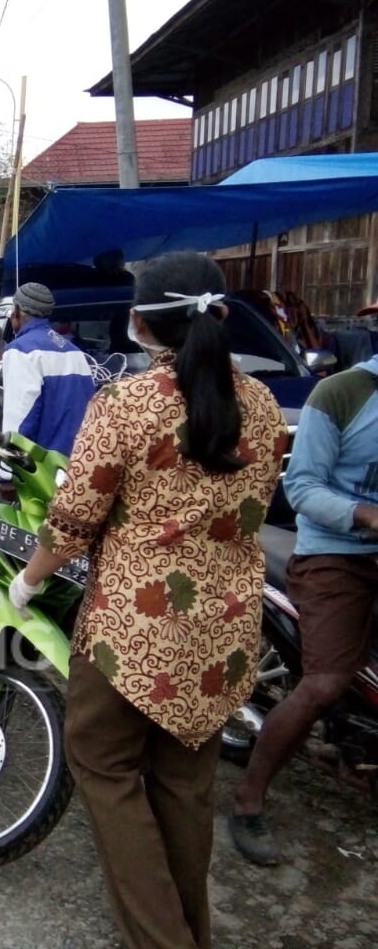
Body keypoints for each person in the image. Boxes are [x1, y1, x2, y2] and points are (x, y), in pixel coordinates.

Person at [10, 253, 286, 949]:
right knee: (183, 789)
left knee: (102, 763)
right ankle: (191, 930)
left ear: (138, 322)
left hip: (132, 634)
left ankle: (164, 940)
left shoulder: (127, 404)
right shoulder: (260, 405)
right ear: (219, 316)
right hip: (224, 635)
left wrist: (28, 580)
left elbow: (75, 517)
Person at [229, 350, 378, 866]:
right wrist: (366, 515)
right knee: (325, 683)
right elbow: (302, 486)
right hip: (337, 554)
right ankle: (249, 798)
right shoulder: (341, 394)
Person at [0, 282, 96, 458]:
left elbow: (19, 419)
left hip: (41, 471)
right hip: (78, 466)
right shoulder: (74, 351)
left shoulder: (20, 350)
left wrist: (8, 472)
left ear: (17, 311)